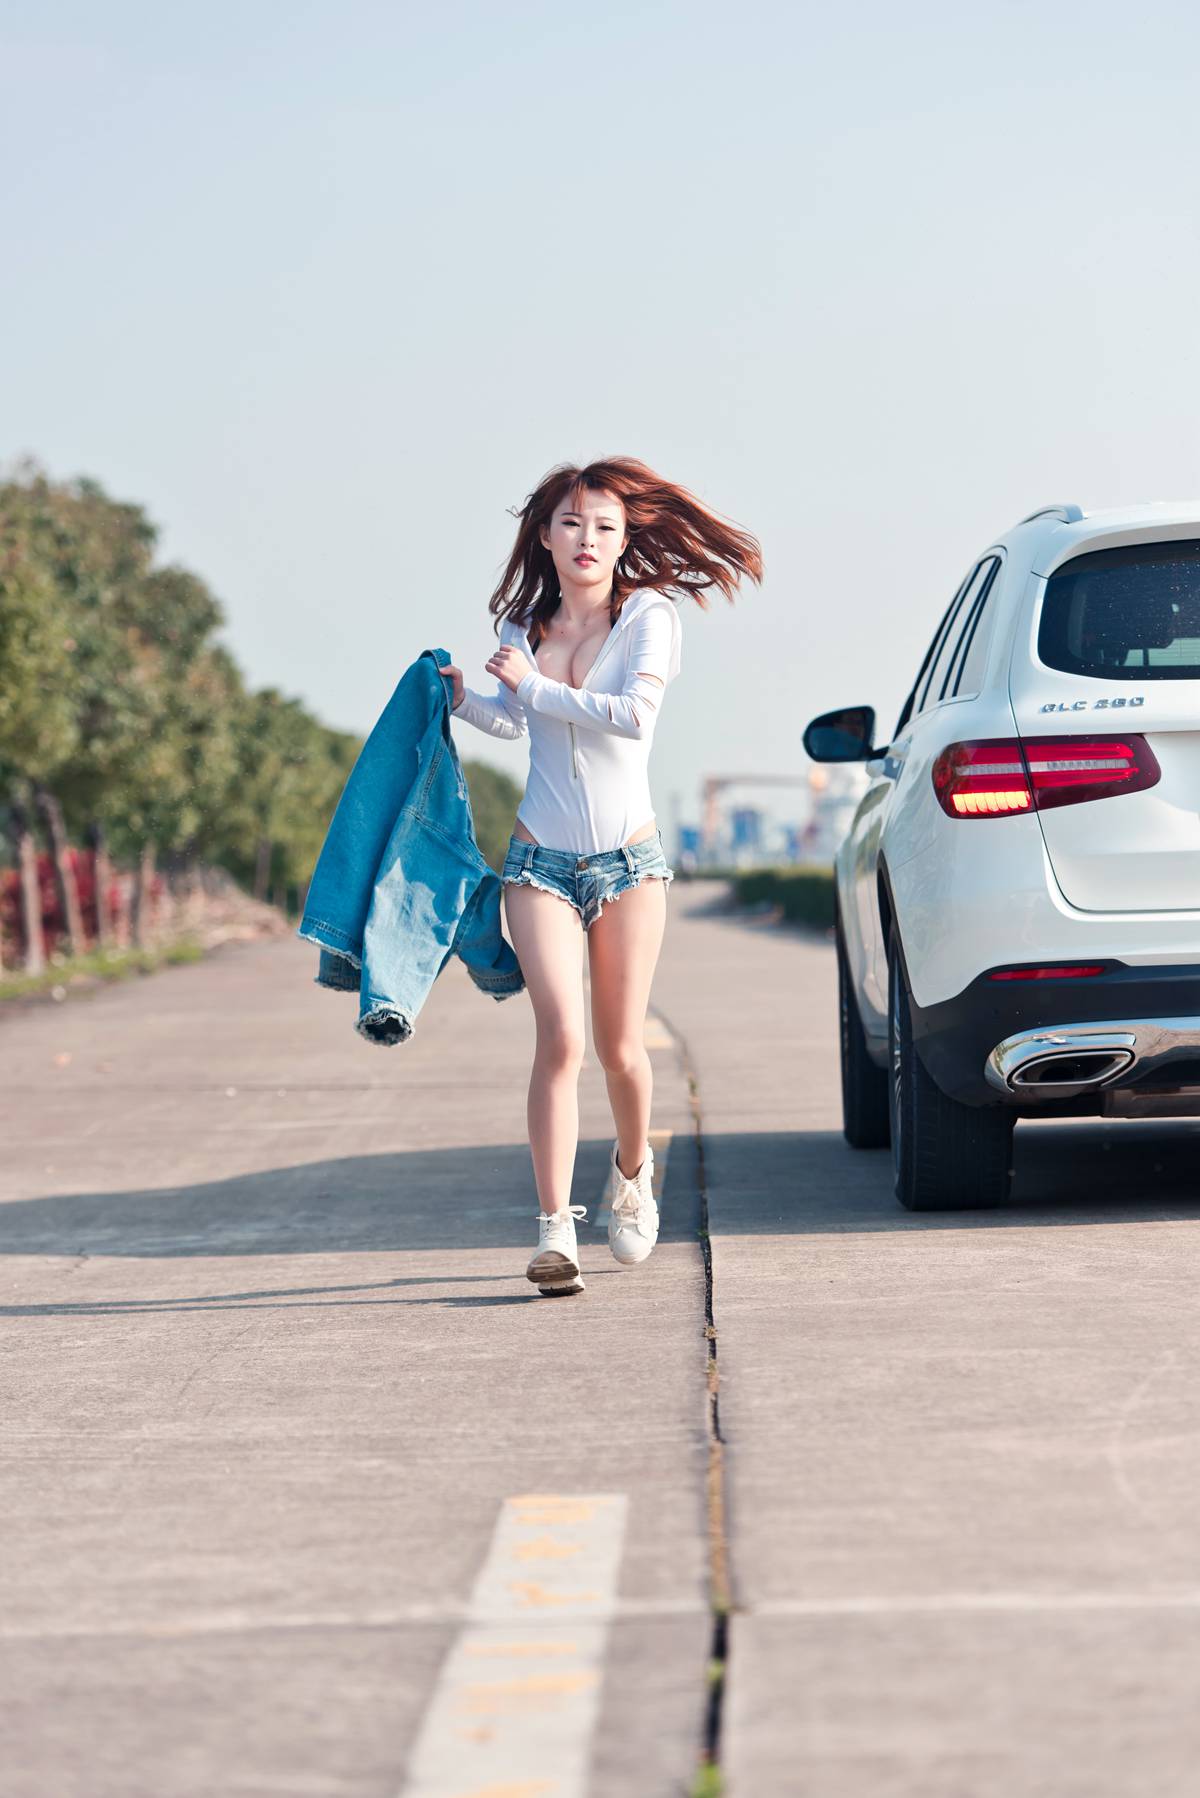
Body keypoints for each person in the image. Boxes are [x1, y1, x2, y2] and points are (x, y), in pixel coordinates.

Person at [444, 456, 762, 1296]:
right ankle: (555, 1231)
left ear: (625, 542)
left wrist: (537, 688)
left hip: (630, 864)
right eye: (574, 524)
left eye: (607, 527)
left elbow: (630, 721)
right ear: (545, 536)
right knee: (561, 1040)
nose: (589, 539)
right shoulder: (522, 627)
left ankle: (631, 1172)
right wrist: (462, 701)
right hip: (537, 864)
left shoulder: (649, 618)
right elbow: (515, 724)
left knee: (621, 1050)